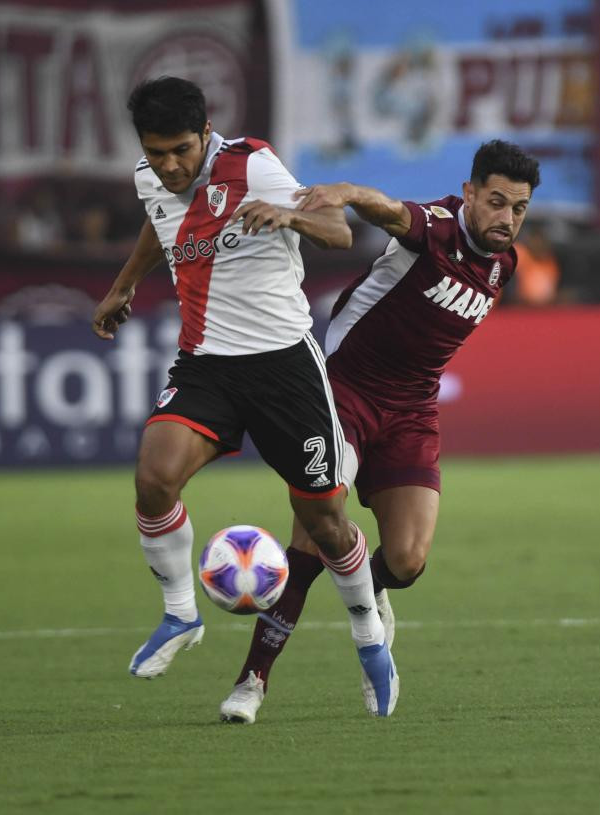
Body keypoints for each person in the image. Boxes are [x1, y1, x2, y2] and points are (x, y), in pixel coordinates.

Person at [90, 76, 399, 717]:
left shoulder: (252, 163)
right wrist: (124, 284)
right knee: (154, 479)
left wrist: (289, 214)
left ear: (206, 133)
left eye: (181, 149)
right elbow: (162, 223)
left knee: (325, 523)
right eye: (157, 151)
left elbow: (339, 234)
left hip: (285, 368)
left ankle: (369, 633)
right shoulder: (151, 178)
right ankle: (181, 614)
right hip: (207, 367)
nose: (170, 165)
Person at [219, 140, 541, 723]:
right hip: (343, 394)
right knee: (314, 538)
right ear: (469, 195)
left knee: (410, 559)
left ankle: (373, 591)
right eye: (496, 202)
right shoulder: (438, 227)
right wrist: (341, 194)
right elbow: (387, 209)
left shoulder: (504, 262)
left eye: (519, 208)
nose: (507, 218)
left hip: (413, 410)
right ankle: (251, 683)